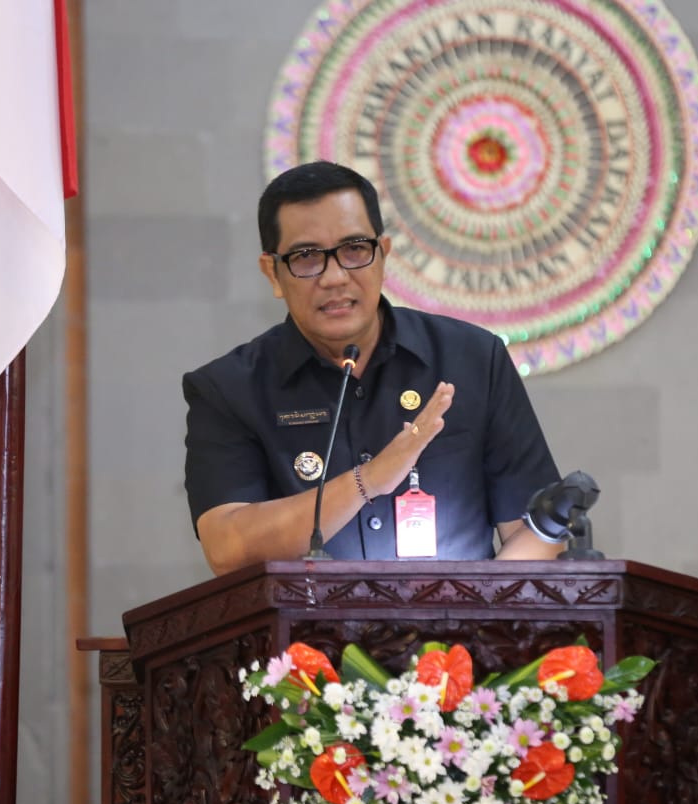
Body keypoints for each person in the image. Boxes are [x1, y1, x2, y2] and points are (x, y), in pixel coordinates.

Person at [183, 161, 564, 575]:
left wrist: (472, 606)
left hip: (460, 619)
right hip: (307, 620)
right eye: (306, 257)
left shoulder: (473, 358)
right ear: (273, 273)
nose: (334, 277)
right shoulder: (228, 389)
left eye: (354, 249)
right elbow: (226, 548)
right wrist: (368, 480)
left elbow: (536, 531)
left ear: (383, 254)